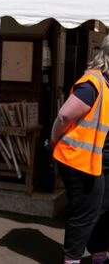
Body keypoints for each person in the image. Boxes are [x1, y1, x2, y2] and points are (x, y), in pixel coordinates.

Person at [51, 35, 109, 264]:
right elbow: (64, 115)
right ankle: (72, 260)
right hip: (80, 158)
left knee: (104, 210)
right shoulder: (93, 82)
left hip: (100, 159)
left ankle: (99, 255)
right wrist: (54, 139)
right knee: (87, 212)